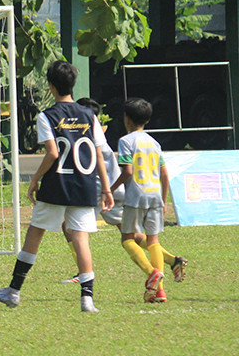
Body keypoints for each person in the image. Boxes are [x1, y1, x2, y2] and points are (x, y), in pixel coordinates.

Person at [0, 61, 114, 313]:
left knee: (35, 233)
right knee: (80, 239)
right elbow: (99, 155)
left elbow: (53, 153)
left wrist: (34, 179)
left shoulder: (47, 116)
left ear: (51, 86)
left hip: (57, 186)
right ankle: (87, 299)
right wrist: (106, 189)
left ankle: (13, 291)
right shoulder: (90, 116)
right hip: (84, 187)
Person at [60, 98, 186, 286]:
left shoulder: (88, 140)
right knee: (132, 235)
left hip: (101, 192)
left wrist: (104, 190)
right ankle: (171, 260)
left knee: (71, 228)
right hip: (119, 191)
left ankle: (83, 272)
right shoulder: (110, 140)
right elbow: (162, 173)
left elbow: (92, 169)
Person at [108, 97, 184, 303]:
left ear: (127, 118)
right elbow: (165, 174)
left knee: (127, 239)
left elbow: (128, 171)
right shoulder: (154, 142)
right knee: (153, 242)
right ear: (147, 120)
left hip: (136, 195)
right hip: (155, 195)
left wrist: (110, 189)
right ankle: (160, 292)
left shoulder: (126, 141)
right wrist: (164, 199)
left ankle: (152, 272)